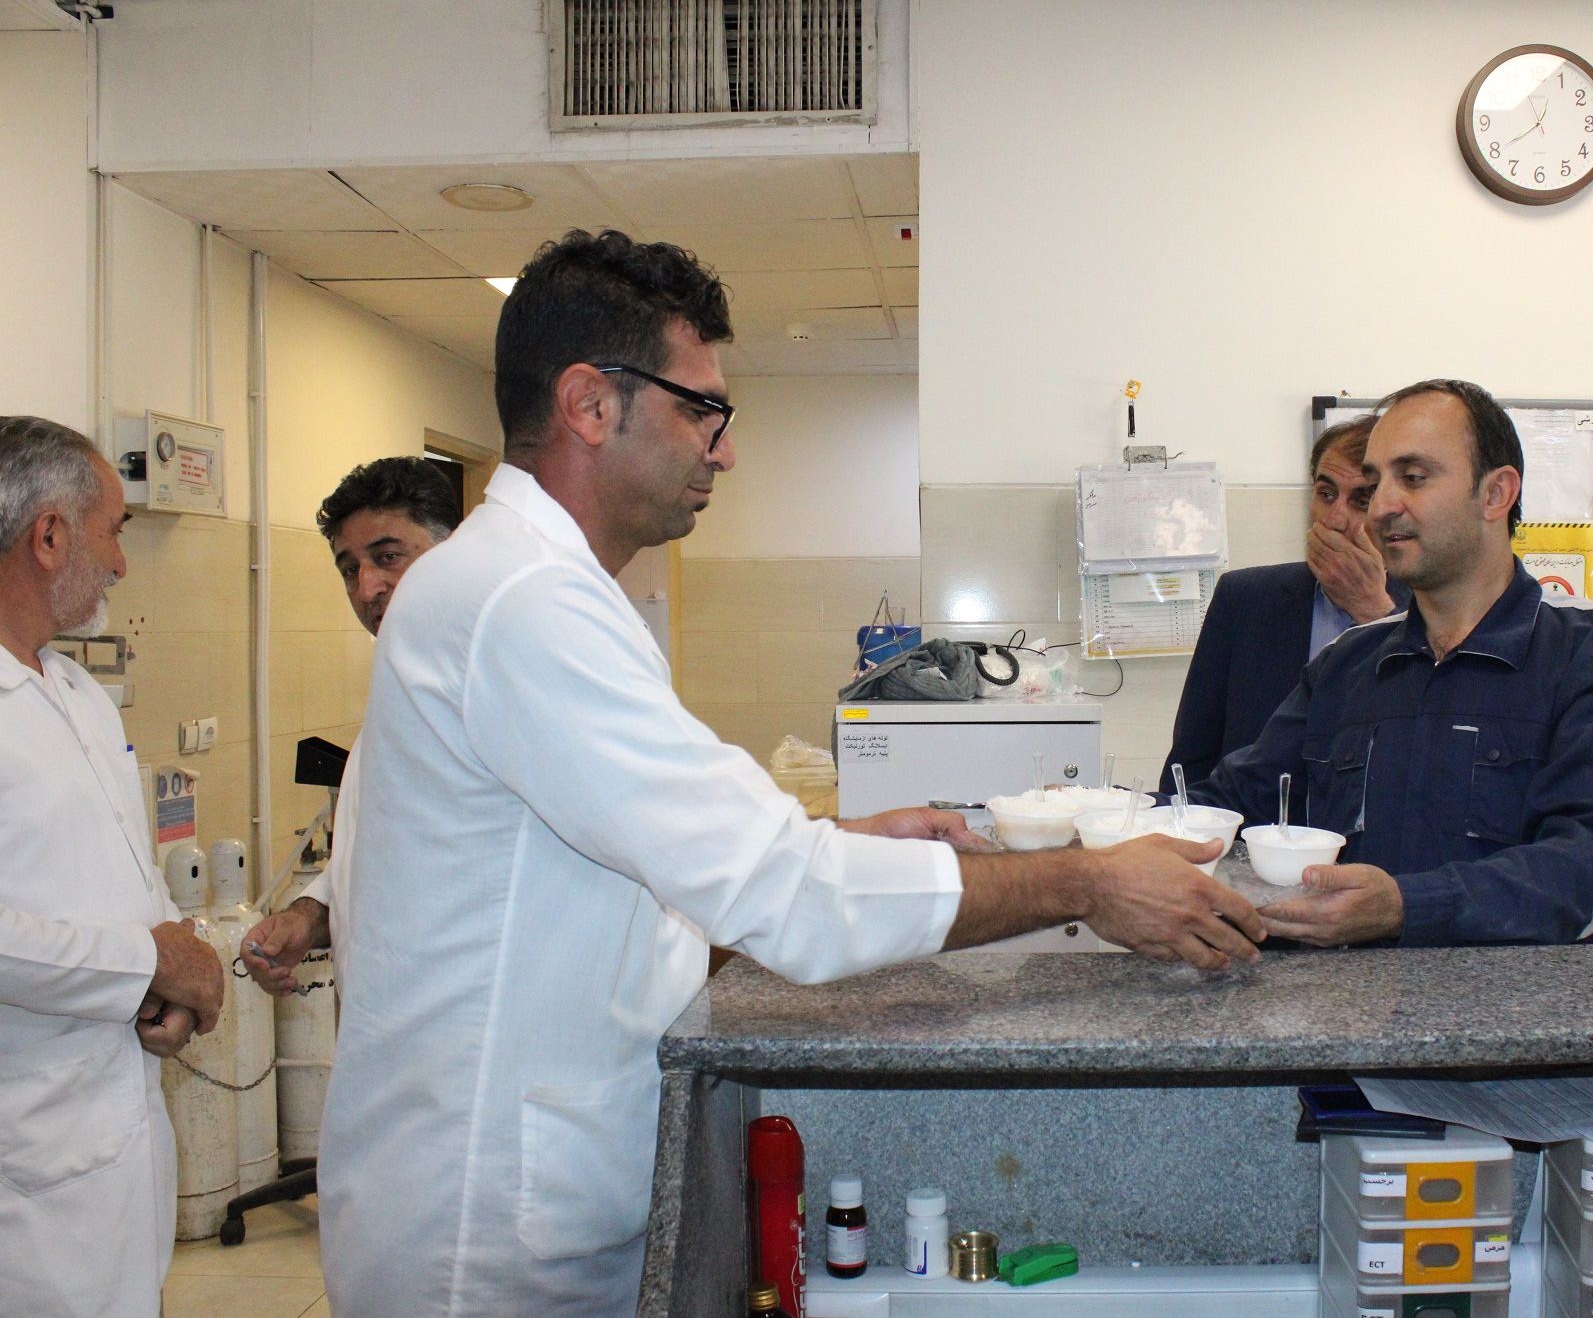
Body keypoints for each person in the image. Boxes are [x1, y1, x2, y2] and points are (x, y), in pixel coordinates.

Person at [317, 230, 1265, 1316]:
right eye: (701, 410)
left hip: (524, 1181)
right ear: (590, 404)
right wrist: (1085, 883)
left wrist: (844, 839)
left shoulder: (532, 587)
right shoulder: (520, 601)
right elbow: (783, 896)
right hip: (481, 1228)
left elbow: (655, 846)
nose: (722, 451)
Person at [1189, 378, 1593, 948]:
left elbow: (1588, 870)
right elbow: (1230, 803)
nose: (1382, 507)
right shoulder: (1347, 664)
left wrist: (1406, 907)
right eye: (1375, 484)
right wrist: (1110, 834)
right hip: (1356, 1001)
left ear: (1495, 494)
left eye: (1413, 478)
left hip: (1525, 1004)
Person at [0, 416, 226, 1317]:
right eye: (115, 531)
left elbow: (122, 886)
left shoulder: (77, 694)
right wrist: (149, 963)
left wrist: (165, 985)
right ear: (50, 535)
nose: (122, 563)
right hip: (29, 1166)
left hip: (119, 1133)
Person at [238, 456, 461, 994]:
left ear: (454, 550)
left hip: (465, 1021)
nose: (366, 588)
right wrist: (310, 914)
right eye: (349, 568)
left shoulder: (498, 682)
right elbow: (385, 858)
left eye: (388, 557)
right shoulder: (401, 686)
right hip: (389, 1014)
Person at [1162, 413, 1406, 788]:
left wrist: (1372, 610)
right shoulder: (1244, 598)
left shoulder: (1432, 611)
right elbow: (1190, 761)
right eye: (1325, 494)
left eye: (1361, 500)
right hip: (1255, 821)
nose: (1335, 519)